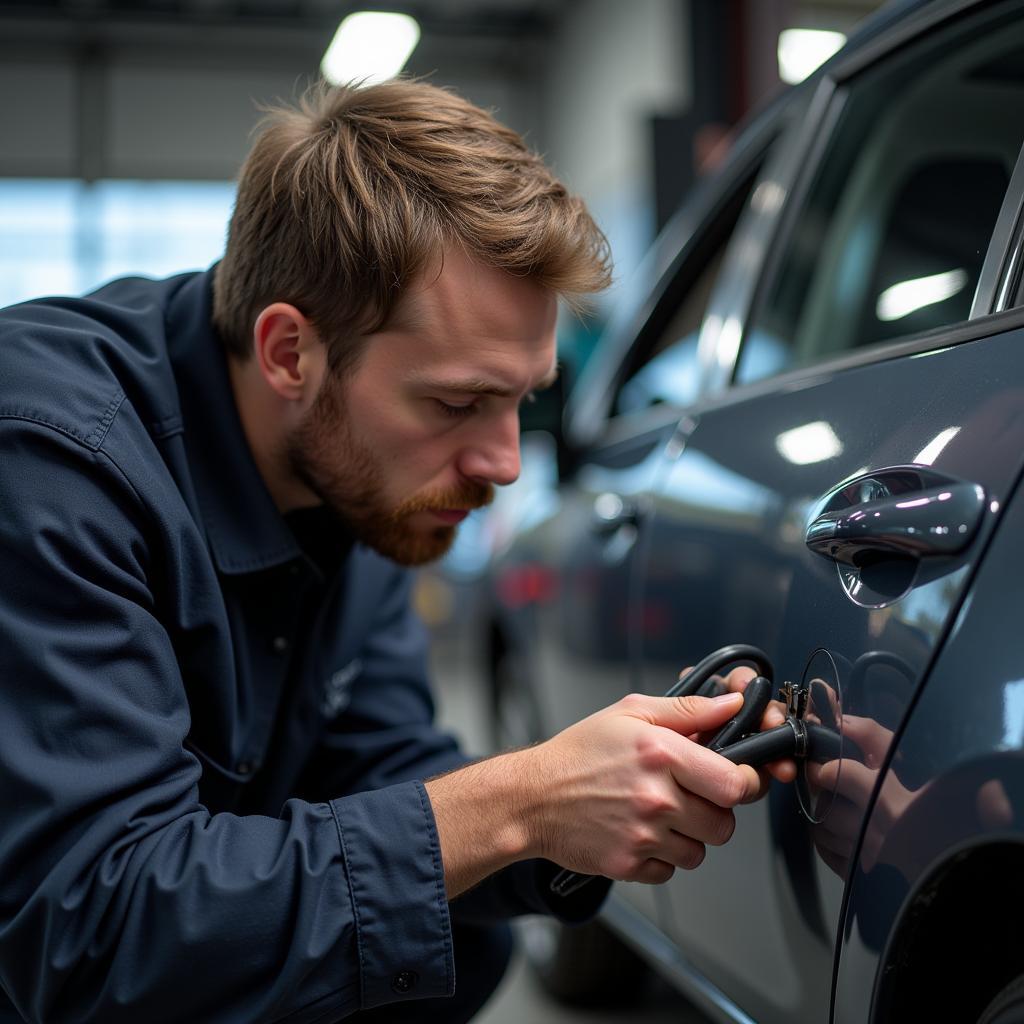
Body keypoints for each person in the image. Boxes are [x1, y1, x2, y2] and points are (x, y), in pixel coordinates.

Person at [0, 79, 789, 1024]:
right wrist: (521, 799)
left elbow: (377, 770)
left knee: (459, 932)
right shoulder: (50, 465)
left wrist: (585, 809)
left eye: (522, 399)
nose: (503, 462)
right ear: (290, 352)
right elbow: (89, 935)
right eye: (457, 404)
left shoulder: (359, 472)